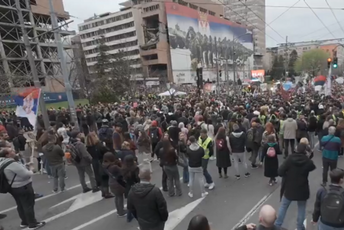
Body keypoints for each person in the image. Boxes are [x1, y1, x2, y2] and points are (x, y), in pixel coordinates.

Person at [0, 147, 45, 230]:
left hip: (12, 187)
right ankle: (32, 224)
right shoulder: (12, 163)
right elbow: (26, 174)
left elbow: (15, 171)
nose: (14, 151)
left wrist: (24, 166)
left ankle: (24, 222)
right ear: (7, 155)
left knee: (20, 205)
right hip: (22, 186)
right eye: (11, 151)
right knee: (28, 205)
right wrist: (31, 169)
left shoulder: (2, 162)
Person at [275, 142, 316, 230]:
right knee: (301, 208)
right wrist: (309, 154)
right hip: (302, 188)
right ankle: (299, 227)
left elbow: (280, 172)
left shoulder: (290, 159)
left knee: (284, 206)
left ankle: (277, 225)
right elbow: (313, 167)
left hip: (290, 187)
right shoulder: (307, 161)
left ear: (296, 149)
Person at [127, 166, 168, 230]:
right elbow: (162, 207)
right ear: (150, 177)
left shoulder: (132, 191)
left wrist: (138, 218)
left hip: (143, 222)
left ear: (139, 176)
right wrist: (164, 218)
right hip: (156, 222)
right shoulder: (155, 191)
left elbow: (131, 208)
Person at [85, 132, 112, 198]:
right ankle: (107, 193)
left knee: (98, 177)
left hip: (94, 162)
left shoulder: (88, 147)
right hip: (101, 161)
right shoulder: (99, 145)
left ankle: (103, 192)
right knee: (104, 177)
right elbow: (107, 151)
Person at [103, 152, 126, 217]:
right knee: (120, 197)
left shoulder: (104, 165)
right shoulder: (114, 167)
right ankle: (121, 212)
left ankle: (118, 210)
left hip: (111, 182)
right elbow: (122, 171)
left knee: (116, 197)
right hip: (117, 183)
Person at [122, 154, 140, 222]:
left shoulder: (123, 168)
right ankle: (137, 216)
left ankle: (129, 217)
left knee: (130, 203)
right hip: (135, 186)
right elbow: (137, 178)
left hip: (128, 187)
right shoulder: (135, 168)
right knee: (138, 202)